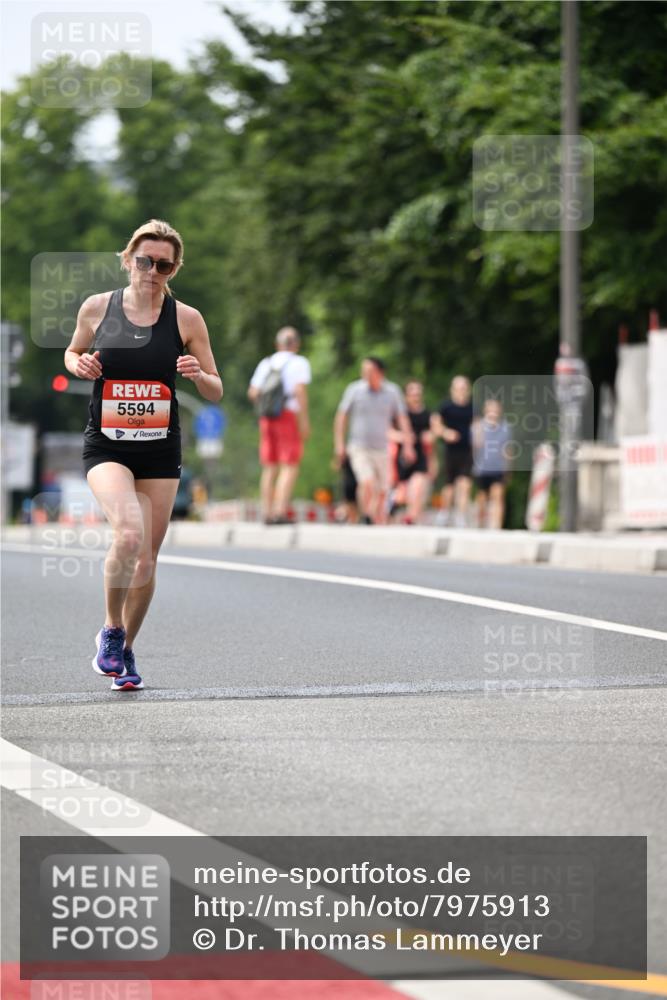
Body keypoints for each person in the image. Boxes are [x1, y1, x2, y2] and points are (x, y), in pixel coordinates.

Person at [64, 219, 222, 691]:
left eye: (164, 265)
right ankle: (111, 630)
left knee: (148, 558)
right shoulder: (98, 308)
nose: (153, 271)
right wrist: (81, 362)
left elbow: (215, 391)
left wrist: (197, 374)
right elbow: (72, 354)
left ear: (174, 270)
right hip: (108, 445)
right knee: (129, 534)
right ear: (128, 258)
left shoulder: (187, 319)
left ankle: (127, 650)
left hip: (159, 449)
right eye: (145, 261)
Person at [334, 357, 415, 525]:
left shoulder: (392, 392)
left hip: (382, 448)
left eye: (369, 371)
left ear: (380, 373)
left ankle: (374, 515)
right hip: (359, 447)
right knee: (367, 481)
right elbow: (341, 417)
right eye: (363, 371)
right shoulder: (355, 390)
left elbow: (402, 419)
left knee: (383, 489)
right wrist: (339, 444)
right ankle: (366, 516)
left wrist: (408, 445)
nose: (365, 374)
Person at [248, 327, 311, 524]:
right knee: (289, 465)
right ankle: (279, 511)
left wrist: (268, 404)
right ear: (296, 345)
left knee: (269, 466)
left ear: (277, 345)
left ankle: (266, 512)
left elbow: (253, 392)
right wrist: (304, 422)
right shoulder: (299, 362)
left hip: (267, 417)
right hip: (288, 415)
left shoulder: (266, 363)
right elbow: (299, 391)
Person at [389, 380, 437, 524]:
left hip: (420, 456)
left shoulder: (428, 415)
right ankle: (391, 511)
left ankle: (410, 520)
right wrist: (402, 437)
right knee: (401, 495)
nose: (416, 396)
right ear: (406, 396)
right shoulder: (399, 414)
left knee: (417, 490)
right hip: (402, 457)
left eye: (418, 393)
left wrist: (431, 436)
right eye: (412, 393)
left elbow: (435, 432)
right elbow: (387, 431)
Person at [431, 375, 474, 527]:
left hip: (467, 451)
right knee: (449, 485)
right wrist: (445, 432)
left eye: (464, 388)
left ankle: (460, 517)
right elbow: (435, 425)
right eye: (458, 388)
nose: (461, 391)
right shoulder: (446, 407)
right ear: (452, 390)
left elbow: (478, 426)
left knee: (465, 484)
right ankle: (444, 513)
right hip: (450, 451)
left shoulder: (472, 407)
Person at [473, 398, 511, 529]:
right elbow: (475, 445)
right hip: (481, 468)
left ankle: (496, 528)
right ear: (486, 410)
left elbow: (507, 449)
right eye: (491, 409)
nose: (493, 411)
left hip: (498, 468)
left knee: (498, 496)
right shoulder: (478, 426)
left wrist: (508, 468)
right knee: (482, 498)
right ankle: (481, 525)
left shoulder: (505, 428)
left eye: (496, 409)